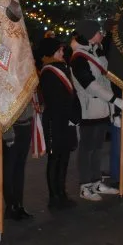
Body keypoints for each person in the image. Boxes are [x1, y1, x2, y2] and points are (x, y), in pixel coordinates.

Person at [69, 20, 122, 202]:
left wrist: (112, 107)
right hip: (88, 109)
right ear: (90, 35)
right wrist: (114, 99)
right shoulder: (79, 58)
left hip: (102, 108)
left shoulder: (96, 51)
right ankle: (85, 186)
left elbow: (106, 78)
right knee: (87, 149)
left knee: (98, 148)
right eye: (99, 32)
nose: (102, 35)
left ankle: (96, 181)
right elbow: (89, 84)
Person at [38, 37, 81, 209]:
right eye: (60, 50)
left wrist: (74, 115)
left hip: (66, 120)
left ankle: (62, 192)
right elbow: (56, 99)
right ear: (52, 52)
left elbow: (71, 94)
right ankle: (54, 196)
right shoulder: (49, 71)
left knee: (64, 157)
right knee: (55, 158)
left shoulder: (62, 68)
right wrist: (69, 115)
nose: (63, 52)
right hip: (56, 121)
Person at [2, 100, 35, 220]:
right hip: (13, 128)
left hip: (25, 126)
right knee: (9, 170)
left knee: (20, 169)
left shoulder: (25, 81)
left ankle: (19, 204)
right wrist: (7, 133)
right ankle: (10, 206)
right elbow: (2, 108)